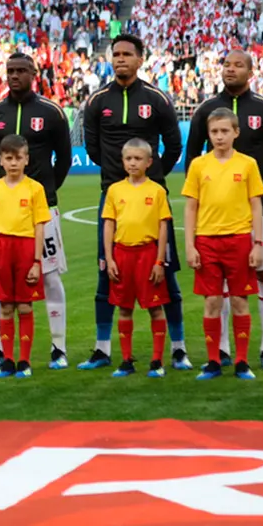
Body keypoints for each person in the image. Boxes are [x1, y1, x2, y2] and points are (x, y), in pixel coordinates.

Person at [84, 34, 188, 371]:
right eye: (116, 54)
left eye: (127, 54)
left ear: (140, 59)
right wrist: (119, 179)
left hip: (150, 197)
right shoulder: (98, 100)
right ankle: (103, 349)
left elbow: (173, 146)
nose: (120, 59)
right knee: (107, 273)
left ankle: (178, 348)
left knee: (166, 273)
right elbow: (93, 149)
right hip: (112, 197)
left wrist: (153, 175)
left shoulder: (157, 99)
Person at [0, 53, 72, 370]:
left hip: (43, 208)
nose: (15, 75)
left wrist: (47, 191)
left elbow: (64, 158)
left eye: (21, 70)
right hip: (5, 212)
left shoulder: (51, 112)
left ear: (34, 73)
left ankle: (58, 347)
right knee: (0, 278)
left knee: (48, 276)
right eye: (10, 71)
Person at [185, 50, 263, 369]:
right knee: (216, 291)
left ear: (251, 71)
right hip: (215, 222)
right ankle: (220, 351)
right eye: (226, 64)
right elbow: (191, 156)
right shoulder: (205, 110)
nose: (230, 69)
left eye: (238, 65)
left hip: (261, 209)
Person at [183, 108, 263, 381]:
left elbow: (256, 205)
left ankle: (242, 362)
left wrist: (257, 243)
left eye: (224, 131)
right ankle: (214, 360)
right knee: (213, 302)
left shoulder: (247, 164)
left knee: (241, 300)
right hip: (206, 241)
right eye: (214, 132)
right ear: (208, 134)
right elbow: (190, 207)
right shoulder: (198, 165)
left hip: (240, 240)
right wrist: (190, 245)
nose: (219, 136)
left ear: (236, 133)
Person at [0, 136, 51, 379]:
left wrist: (36, 262)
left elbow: (40, 226)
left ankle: (25, 361)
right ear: (1, 160)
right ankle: (8, 359)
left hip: (25, 249)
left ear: (26, 159)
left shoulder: (35, 189)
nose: (13, 163)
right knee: (5, 307)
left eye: (18, 158)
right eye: (8, 158)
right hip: (0, 250)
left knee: (25, 305)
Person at [102, 139, 172, 379]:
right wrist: (109, 259)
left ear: (149, 162)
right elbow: (108, 225)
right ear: (122, 162)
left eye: (138, 158)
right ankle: (126, 360)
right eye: (129, 159)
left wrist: (159, 261)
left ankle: (157, 361)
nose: (133, 163)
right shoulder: (114, 190)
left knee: (155, 308)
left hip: (148, 253)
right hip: (122, 254)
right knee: (124, 308)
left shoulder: (157, 191)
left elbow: (163, 228)